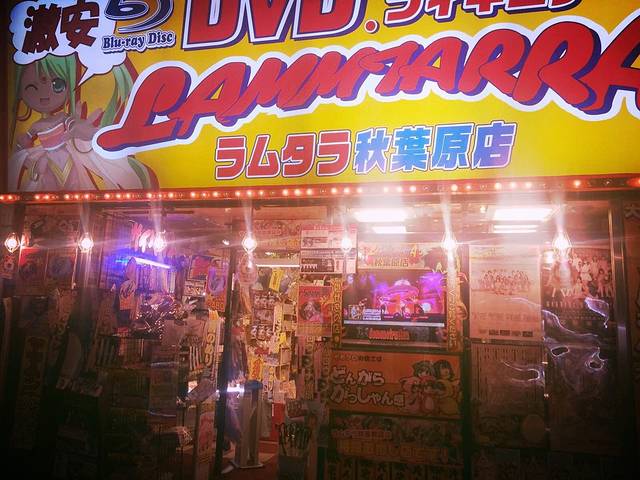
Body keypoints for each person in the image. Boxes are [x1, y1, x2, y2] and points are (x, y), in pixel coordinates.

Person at [10, 54, 157, 191]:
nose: (43, 94)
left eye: (56, 85)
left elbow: (74, 126)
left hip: (67, 156)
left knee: (74, 184)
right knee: (47, 183)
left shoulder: (62, 117)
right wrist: (22, 147)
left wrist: (87, 132)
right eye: (32, 88)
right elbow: (23, 144)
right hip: (47, 159)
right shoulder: (36, 126)